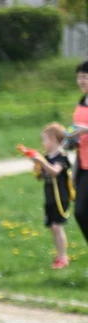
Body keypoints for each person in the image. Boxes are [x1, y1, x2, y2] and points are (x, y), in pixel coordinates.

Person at [25, 123, 73, 269]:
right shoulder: (46, 157)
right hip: (50, 196)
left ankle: (63, 257)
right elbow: (40, 176)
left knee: (57, 226)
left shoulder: (61, 157)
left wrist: (41, 161)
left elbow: (54, 171)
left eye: (44, 139)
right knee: (53, 227)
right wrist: (36, 165)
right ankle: (60, 254)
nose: (42, 143)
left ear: (54, 139)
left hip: (61, 197)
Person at [70, 61, 88, 244]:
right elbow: (76, 129)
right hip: (83, 167)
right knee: (80, 212)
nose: (81, 81)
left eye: (85, 77)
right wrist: (69, 139)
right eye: (79, 77)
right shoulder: (81, 103)